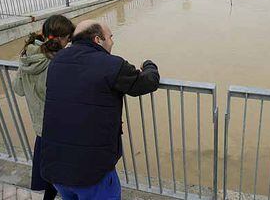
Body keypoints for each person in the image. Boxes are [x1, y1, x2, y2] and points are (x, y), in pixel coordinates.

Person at [41, 20, 160, 200]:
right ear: (98, 39)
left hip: (56, 166)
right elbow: (146, 82)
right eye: (110, 37)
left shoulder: (57, 61)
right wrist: (149, 65)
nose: (112, 41)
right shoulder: (111, 65)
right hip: (92, 172)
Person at [13, 14, 75, 200]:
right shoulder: (56, 62)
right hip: (59, 129)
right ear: (62, 38)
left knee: (49, 172)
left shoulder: (28, 56)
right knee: (64, 174)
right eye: (68, 38)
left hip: (40, 128)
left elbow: (18, 89)